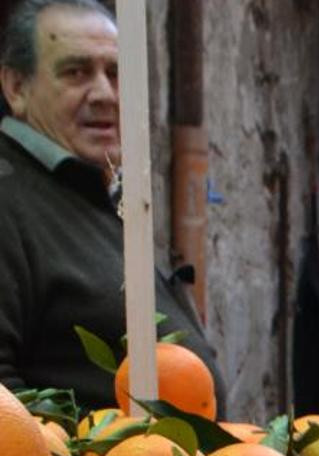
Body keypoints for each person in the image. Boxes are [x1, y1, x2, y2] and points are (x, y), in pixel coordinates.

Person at [0, 0, 223, 410]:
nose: (105, 94)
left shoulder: (83, 190)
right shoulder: (9, 195)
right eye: (76, 72)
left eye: (117, 74)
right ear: (16, 88)